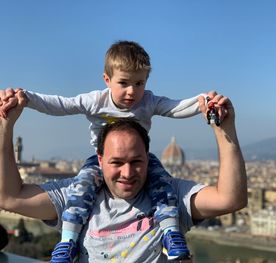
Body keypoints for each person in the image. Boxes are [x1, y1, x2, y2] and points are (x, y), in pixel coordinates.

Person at [0, 40, 216, 262]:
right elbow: (60, 105)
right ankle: (68, 241)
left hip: (141, 159)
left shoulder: (149, 101)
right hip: (100, 161)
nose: (132, 91)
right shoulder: (96, 101)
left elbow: (175, 107)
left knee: (163, 188)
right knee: (80, 191)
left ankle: (171, 233)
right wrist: (26, 98)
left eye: (140, 83)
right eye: (124, 83)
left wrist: (203, 102)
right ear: (107, 79)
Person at [0, 91, 246, 262]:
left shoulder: (168, 194)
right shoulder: (76, 195)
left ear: (148, 158)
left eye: (136, 162)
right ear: (99, 160)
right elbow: (9, 197)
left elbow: (230, 199)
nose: (127, 173)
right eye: (116, 162)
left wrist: (225, 128)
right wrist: (5, 127)